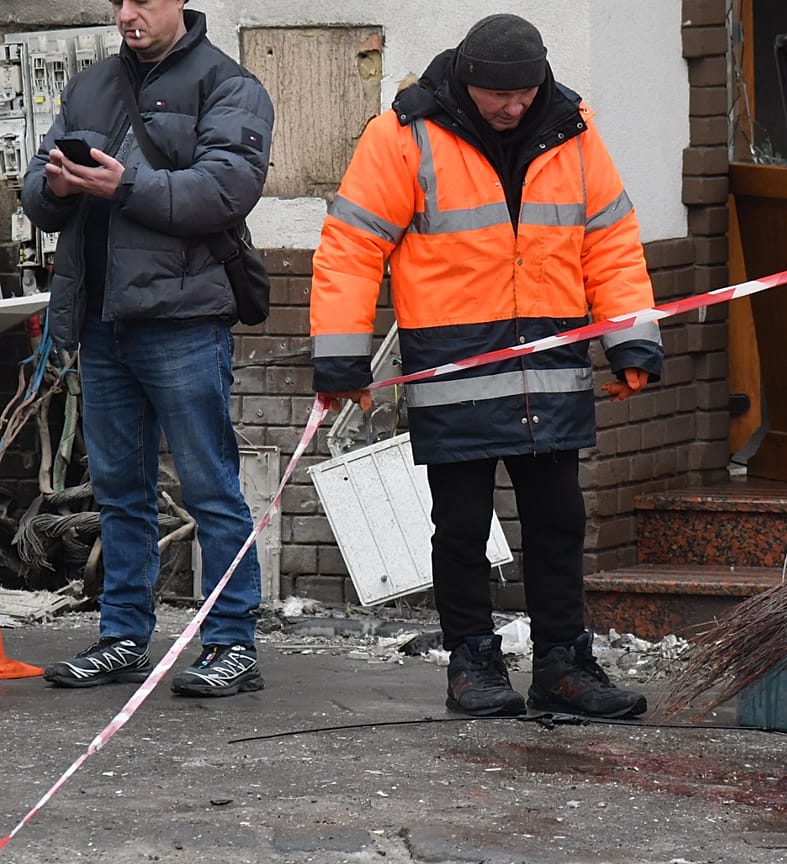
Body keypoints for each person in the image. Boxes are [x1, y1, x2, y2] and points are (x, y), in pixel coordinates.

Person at [309, 14, 663, 720]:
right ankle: (473, 660)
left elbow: (611, 242)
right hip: (456, 367)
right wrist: (341, 357)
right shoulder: (404, 135)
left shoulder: (574, 128)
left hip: (551, 360)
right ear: (467, 82)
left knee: (560, 519)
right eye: (500, 95)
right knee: (463, 525)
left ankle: (565, 662)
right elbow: (351, 247)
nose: (514, 107)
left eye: (526, 93)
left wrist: (632, 343)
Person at [22, 0, 273, 697]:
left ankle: (232, 644)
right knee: (120, 493)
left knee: (211, 489)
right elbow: (38, 193)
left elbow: (225, 190)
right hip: (103, 322)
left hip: (184, 320)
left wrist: (123, 185)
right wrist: (51, 184)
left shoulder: (230, 86)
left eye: (143, 1)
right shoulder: (90, 85)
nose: (128, 14)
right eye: (118, 2)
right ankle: (124, 635)